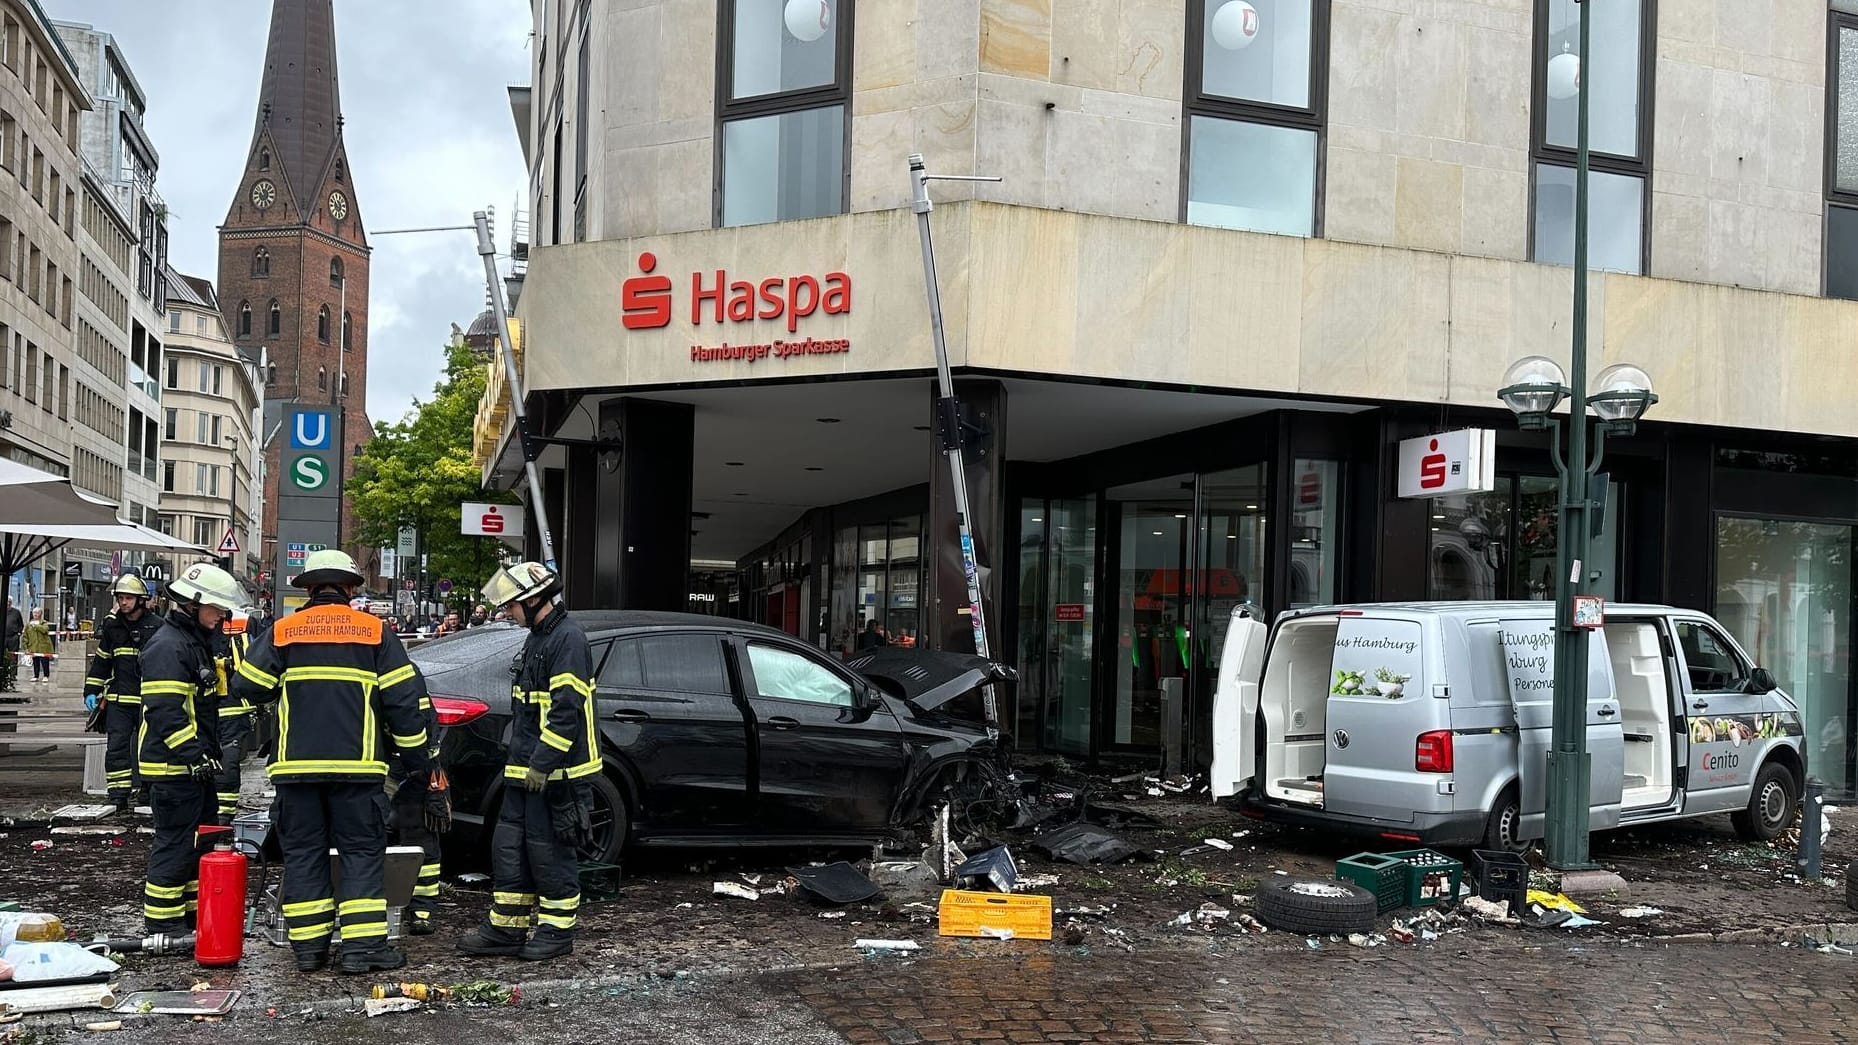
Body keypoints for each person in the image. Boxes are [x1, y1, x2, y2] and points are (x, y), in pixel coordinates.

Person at [231, 550, 436, 974]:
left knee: (304, 854)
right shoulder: (375, 631)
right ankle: (363, 951)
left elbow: (247, 686)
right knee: (361, 854)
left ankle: (309, 950)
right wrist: (417, 759)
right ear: (350, 588)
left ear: (308, 589)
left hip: (295, 771)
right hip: (358, 772)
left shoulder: (283, 631)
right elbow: (403, 702)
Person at [458, 562, 598, 962]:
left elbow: (566, 711)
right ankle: (507, 928)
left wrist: (543, 764)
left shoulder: (567, 639)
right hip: (524, 772)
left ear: (534, 599)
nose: (507, 612)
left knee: (549, 851)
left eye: (511, 606)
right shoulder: (539, 636)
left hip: (557, 775)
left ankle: (557, 931)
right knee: (511, 848)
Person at [138, 562, 243, 936]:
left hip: (191, 768)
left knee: (198, 844)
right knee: (176, 843)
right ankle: (163, 923)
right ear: (193, 604)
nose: (220, 616)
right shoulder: (169, 647)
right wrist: (194, 755)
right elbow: (167, 713)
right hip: (174, 769)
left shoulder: (191, 643)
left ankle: (193, 918)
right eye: (215, 608)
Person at [86, 575, 164, 811]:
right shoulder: (112, 626)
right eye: (120, 598)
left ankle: (148, 791)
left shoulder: (158, 626)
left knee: (149, 748)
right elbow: (102, 661)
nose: (124, 603)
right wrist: (92, 689)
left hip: (148, 700)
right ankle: (118, 795)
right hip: (119, 700)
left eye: (128, 598)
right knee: (117, 747)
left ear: (141, 600)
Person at [211, 612, 256, 825]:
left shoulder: (239, 626)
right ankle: (221, 814)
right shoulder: (243, 624)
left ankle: (223, 814)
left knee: (225, 760)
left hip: (229, 707)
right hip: (225, 707)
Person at [23, 608, 52, 684]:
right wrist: (25, 648)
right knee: (35, 662)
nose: (35, 614)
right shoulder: (29, 624)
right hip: (33, 646)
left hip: (43, 647)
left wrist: (36, 626)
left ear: (40, 614)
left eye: (37, 613)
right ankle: (36, 676)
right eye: (34, 613)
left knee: (45, 662)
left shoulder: (43, 623)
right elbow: (25, 636)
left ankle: (46, 675)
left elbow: (45, 630)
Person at [2, 596, 22, 691]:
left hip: (13, 637)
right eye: (7, 601)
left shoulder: (16, 612)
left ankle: (13, 675)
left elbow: (21, 625)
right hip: (3, 636)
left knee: (13, 656)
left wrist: (18, 633)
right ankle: (3, 673)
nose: (8, 603)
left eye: (9, 601)